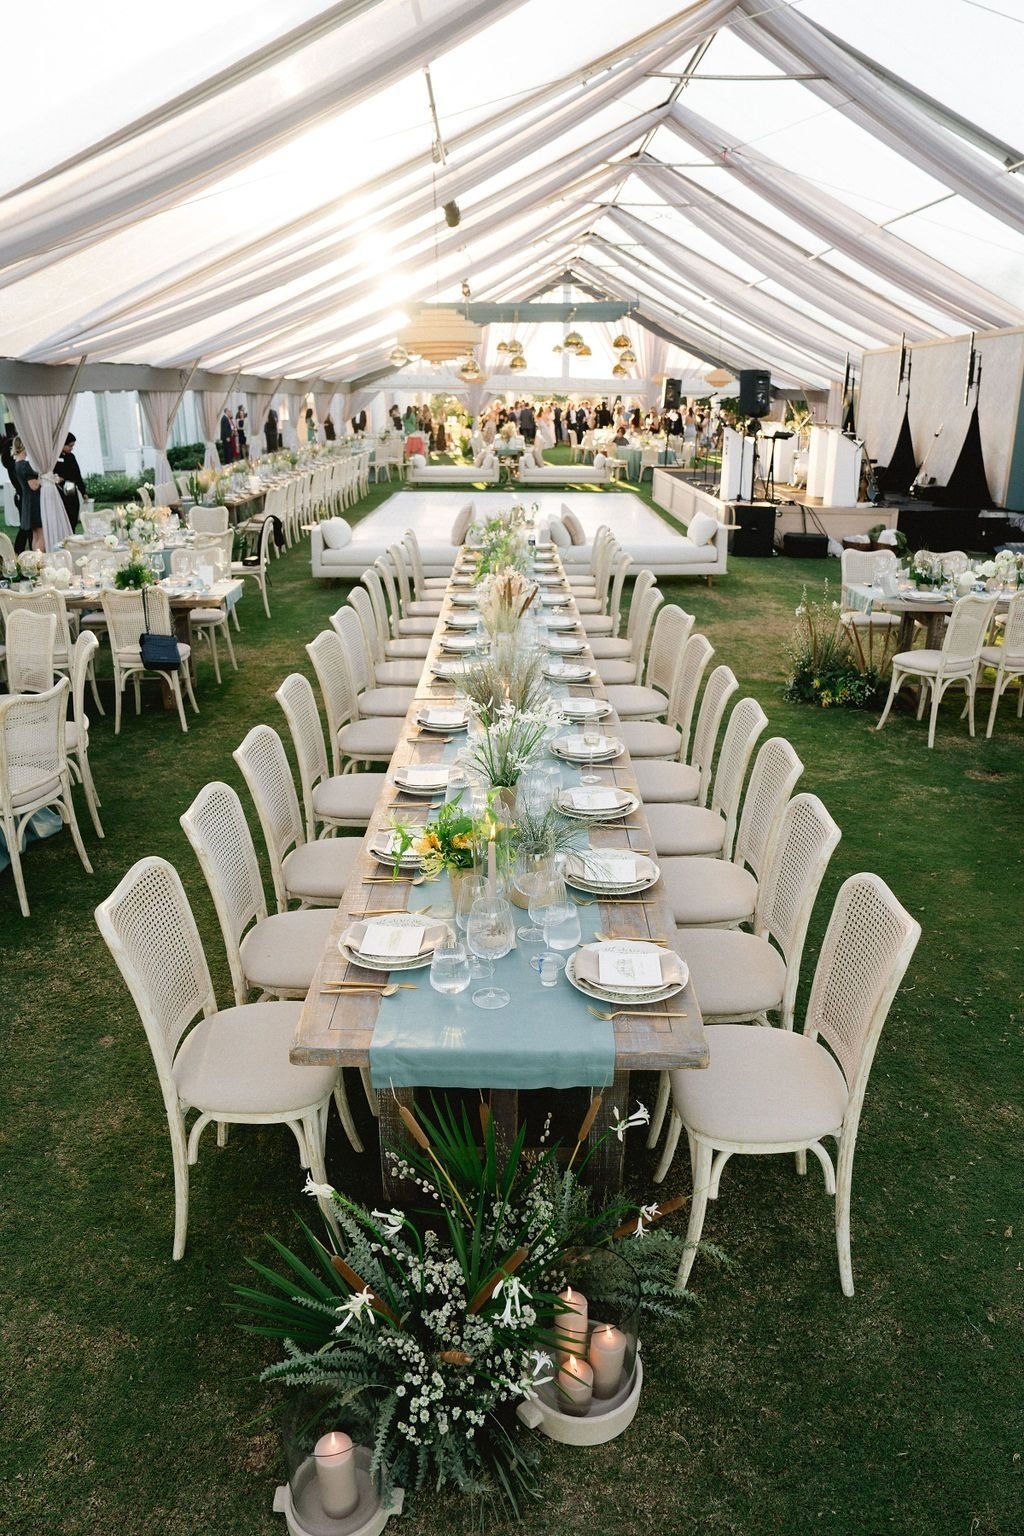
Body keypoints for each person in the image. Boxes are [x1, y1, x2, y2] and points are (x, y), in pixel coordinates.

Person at [12, 438, 44, 554]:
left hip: (27, 500)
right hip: (34, 501)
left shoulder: (17, 464)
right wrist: (44, 479)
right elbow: (34, 486)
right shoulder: (26, 465)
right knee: (41, 534)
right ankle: (40, 559)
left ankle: (36, 560)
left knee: (35, 534)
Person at [54, 433, 87, 528]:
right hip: (60, 489)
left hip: (71, 489)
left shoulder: (71, 457)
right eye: (70, 446)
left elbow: (77, 475)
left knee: (74, 512)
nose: (71, 448)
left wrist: (83, 491)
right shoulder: (54, 458)